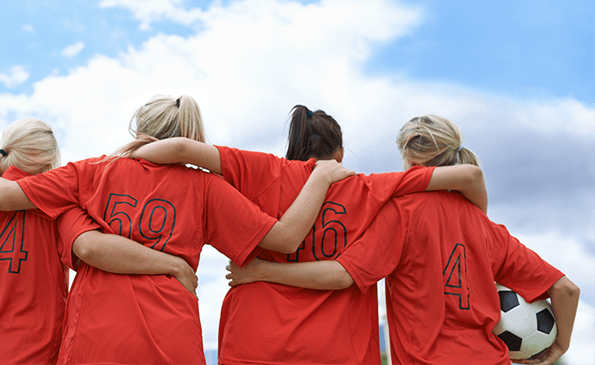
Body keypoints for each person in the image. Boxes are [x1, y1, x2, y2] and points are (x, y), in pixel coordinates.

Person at [0, 95, 354, 364]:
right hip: (173, 339)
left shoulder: (92, 171)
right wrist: (319, 176)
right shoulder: (205, 187)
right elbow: (286, 238)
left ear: (139, 130)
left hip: (97, 340)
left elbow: (2, 197)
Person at [130, 105, 488, 364]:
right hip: (339, 350)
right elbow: (470, 177)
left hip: (253, 344)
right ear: (340, 153)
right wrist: (478, 230)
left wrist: (126, 156)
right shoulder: (370, 187)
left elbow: (178, 148)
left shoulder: (254, 168)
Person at [226, 115, 580, 365]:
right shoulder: (488, 228)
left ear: (409, 158)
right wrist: (560, 343)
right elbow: (566, 289)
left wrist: (261, 271)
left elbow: (342, 275)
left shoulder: (401, 213)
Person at [0, 118, 197, 365]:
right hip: (29, 356)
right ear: (49, 160)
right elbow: (93, 248)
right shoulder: (58, 209)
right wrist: (173, 265)